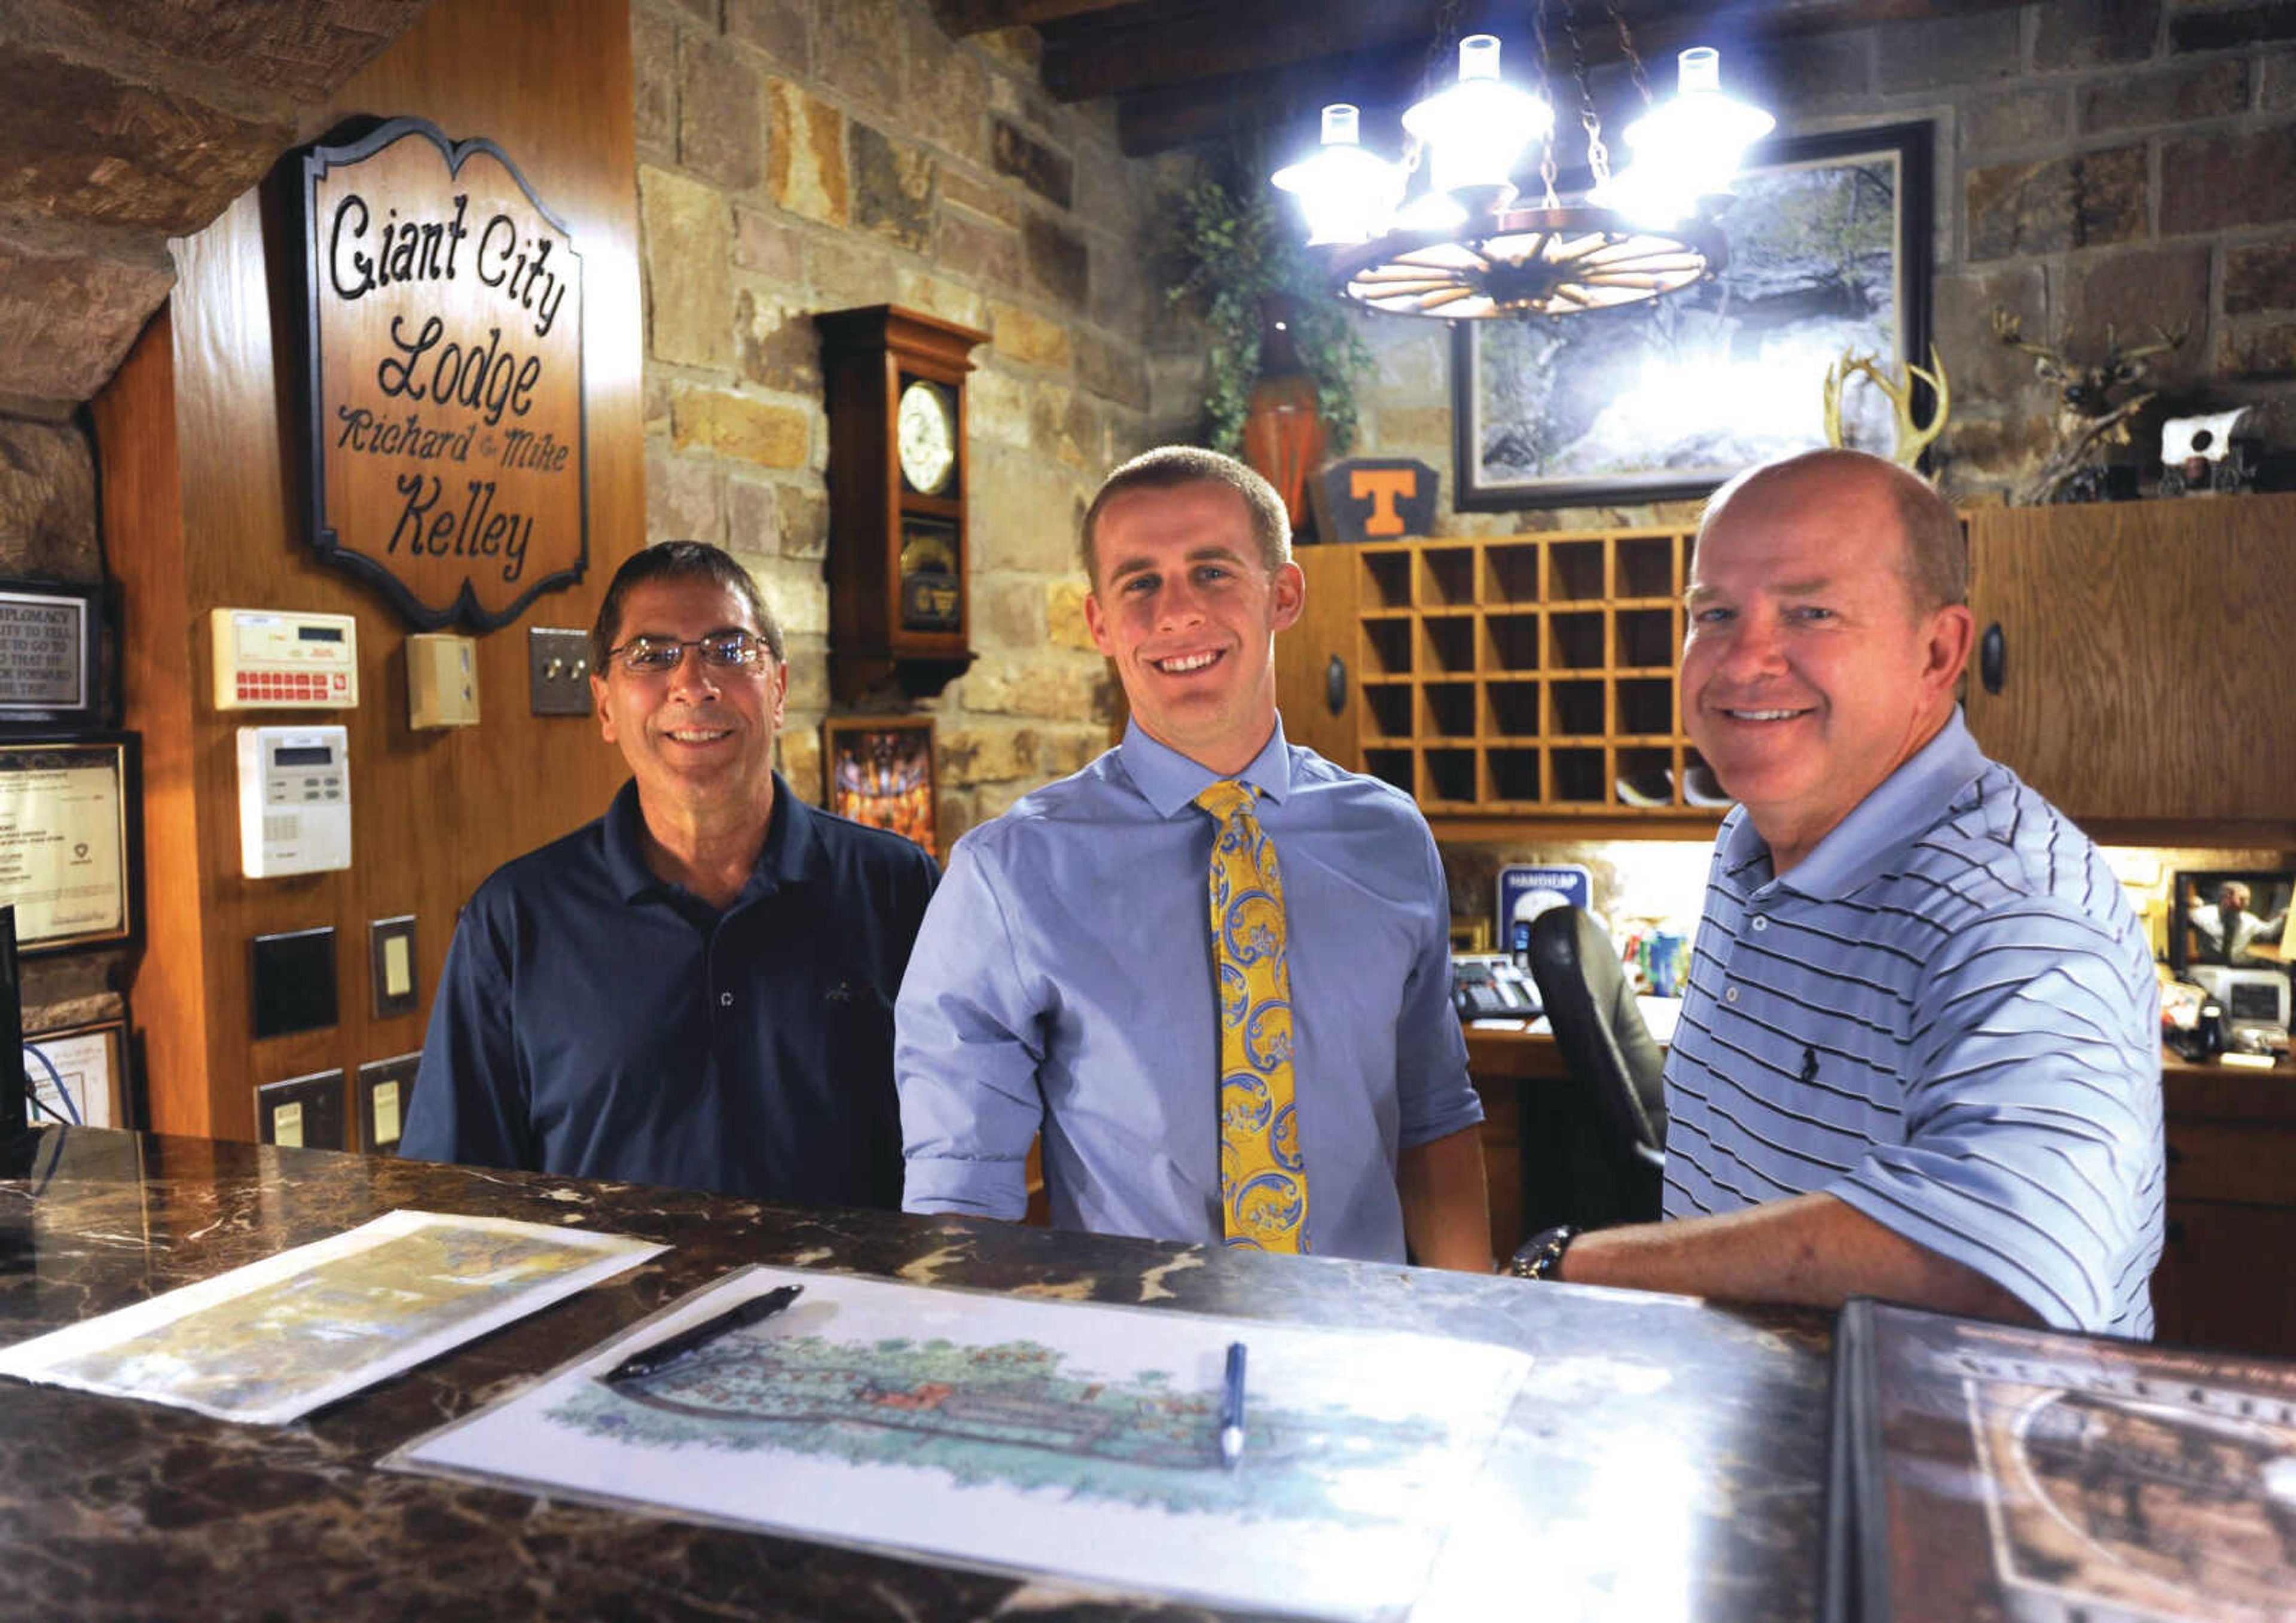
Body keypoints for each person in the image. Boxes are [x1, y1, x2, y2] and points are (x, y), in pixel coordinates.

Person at [1512, 449, 2164, 1338]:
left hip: (1935, 1471)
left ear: (1938, 652)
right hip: (1765, 1446)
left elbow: (2009, 1259)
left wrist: (1575, 1264)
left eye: (1811, 612)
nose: (1743, 661)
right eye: (1715, 613)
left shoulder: (2016, 910)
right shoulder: (1754, 839)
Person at [896, 447, 1491, 1269]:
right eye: (1139, 582)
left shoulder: (1389, 839)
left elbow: (1433, 1115)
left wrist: (1472, 1335)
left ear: (1282, 594)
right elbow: (961, 1189)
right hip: (1135, 1362)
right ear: (1100, 621)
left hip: (1366, 1358)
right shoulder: (1010, 874)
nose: (1176, 612)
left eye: (1212, 571)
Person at [399, 541, 939, 1206]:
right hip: (613, 1312)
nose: (693, 682)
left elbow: (965, 1141)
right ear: (603, 704)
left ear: (778, 690)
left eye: (729, 649)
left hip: (856, 1308)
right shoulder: (515, 919)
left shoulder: (897, 887)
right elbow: (456, 1194)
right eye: (652, 655)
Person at [2185, 879, 2286, 966]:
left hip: (2240, 967)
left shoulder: (2249, 920)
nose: (2247, 904)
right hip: (2209, 966)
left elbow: (2268, 932)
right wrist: (2187, 904)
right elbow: (2180, 921)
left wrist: (2283, 919)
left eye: (2248, 900)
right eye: (2242, 899)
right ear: (2227, 898)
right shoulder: (2202, 915)